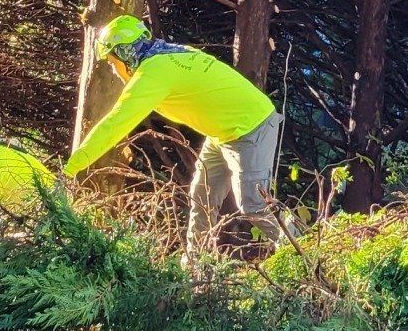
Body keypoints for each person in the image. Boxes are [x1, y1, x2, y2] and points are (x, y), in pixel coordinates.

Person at [63, 16, 283, 255]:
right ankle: (195, 270)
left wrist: (70, 169)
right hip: (223, 132)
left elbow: (114, 125)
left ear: (124, 54)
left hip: (251, 128)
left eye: (111, 60)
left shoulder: (153, 74)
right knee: (202, 198)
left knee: (253, 204)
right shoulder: (169, 54)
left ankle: (309, 251)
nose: (112, 69)